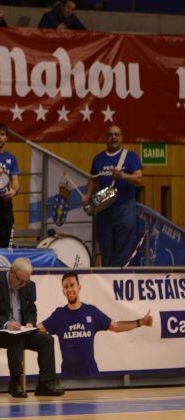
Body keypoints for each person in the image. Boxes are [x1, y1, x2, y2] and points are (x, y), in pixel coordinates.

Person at [39, 271, 154, 377]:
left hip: (91, 377)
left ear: (79, 287)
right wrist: (25, 326)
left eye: (72, 285)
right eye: (66, 287)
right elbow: (39, 328)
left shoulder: (91, 311)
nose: (69, 289)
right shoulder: (59, 315)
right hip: (68, 379)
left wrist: (141, 322)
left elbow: (117, 327)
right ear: (63, 291)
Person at [0, 258, 64, 398]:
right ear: (12, 272)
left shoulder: (28, 286)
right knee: (15, 338)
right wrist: (6, 324)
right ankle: (15, 382)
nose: (23, 284)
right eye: (20, 280)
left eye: (26, 281)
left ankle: (45, 384)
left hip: (21, 331)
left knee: (47, 340)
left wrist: (30, 322)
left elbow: (31, 310)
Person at [83, 125, 143, 267]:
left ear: (121, 138)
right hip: (104, 210)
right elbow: (93, 179)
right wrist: (87, 195)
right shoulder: (98, 159)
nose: (114, 137)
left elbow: (139, 179)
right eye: (110, 135)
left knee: (123, 250)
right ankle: (108, 281)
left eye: (117, 134)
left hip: (125, 208)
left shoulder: (130, 156)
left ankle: (120, 279)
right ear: (106, 138)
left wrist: (122, 175)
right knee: (106, 249)